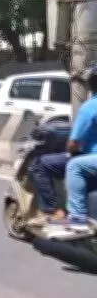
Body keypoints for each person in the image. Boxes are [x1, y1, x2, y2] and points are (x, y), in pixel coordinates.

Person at [38, 69, 97, 238]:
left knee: (72, 165)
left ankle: (75, 217)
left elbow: (73, 143)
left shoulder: (90, 107)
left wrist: (70, 151)